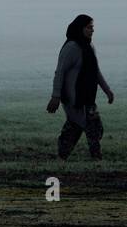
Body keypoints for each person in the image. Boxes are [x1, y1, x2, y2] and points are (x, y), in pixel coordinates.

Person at [46, 14, 114, 160]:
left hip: (88, 97)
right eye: (89, 27)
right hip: (74, 98)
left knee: (77, 127)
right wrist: (55, 96)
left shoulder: (89, 47)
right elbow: (60, 72)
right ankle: (97, 160)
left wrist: (107, 90)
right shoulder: (71, 47)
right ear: (80, 28)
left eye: (93, 28)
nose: (92, 30)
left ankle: (61, 157)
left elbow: (95, 71)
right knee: (93, 128)